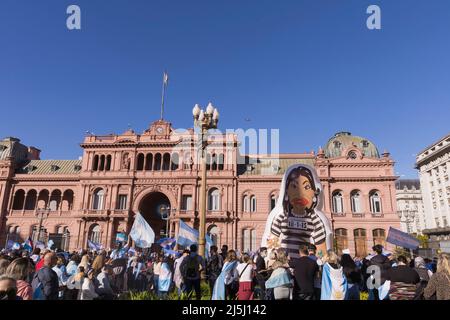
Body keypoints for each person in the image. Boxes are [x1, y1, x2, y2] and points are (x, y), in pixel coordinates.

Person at [262, 164, 333, 261]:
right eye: (294, 186)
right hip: (285, 265)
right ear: (286, 192)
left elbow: (321, 250)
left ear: (314, 192)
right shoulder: (281, 216)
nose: (300, 194)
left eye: (307, 187)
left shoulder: (315, 220)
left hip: (303, 265)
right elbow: (272, 243)